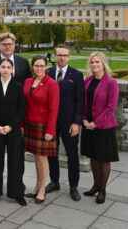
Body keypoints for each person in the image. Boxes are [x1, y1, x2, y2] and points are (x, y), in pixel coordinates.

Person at [0, 32, 30, 186]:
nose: (7, 47)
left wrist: (19, 123)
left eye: (10, 44)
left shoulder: (23, 63)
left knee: (16, 159)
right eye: (4, 44)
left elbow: (26, 93)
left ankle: (17, 186)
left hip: (16, 121)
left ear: (14, 45)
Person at [45, 45, 84, 201]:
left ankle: (73, 186)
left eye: (65, 55)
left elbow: (80, 101)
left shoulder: (76, 75)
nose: (62, 58)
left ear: (69, 56)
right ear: (55, 56)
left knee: (72, 154)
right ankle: (54, 181)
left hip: (69, 123)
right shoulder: (47, 73)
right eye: (59, 55)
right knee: (51, 153)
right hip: (51, 122)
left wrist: (76, 122)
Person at [0, 58, 27, 206]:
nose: (5, 69)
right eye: (2, 67)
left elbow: (21, 110)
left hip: (13, 129)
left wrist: (10, 126)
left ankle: (16, 193)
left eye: (8, 67)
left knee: (15, 162)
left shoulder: (18, 86)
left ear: (12, 70)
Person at [81, 52, 119, 204]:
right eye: (92, 62)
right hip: (88, 125)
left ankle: (102, 190)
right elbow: (84, 103)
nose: (94, 65)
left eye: (97, 62)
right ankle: (95, 186)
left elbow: (111, 107)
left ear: (103, 63)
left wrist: (95, 123)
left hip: (104, 126)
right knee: (93, 157)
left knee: (103, 159)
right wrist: (84, 119)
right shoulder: (88, 81)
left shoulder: (111, 83)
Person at [23, 55, 59, 204]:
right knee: (36, 158)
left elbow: (54, 109)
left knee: (42, 158)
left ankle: (42, 189)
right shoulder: (28, 81)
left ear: (46, 67)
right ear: (32, 67)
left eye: (41, 66)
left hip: (43, 126)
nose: (39, 68)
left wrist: (50, 130)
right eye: (36, 65)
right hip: (29, 125)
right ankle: (38, 185)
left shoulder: (52, 84)